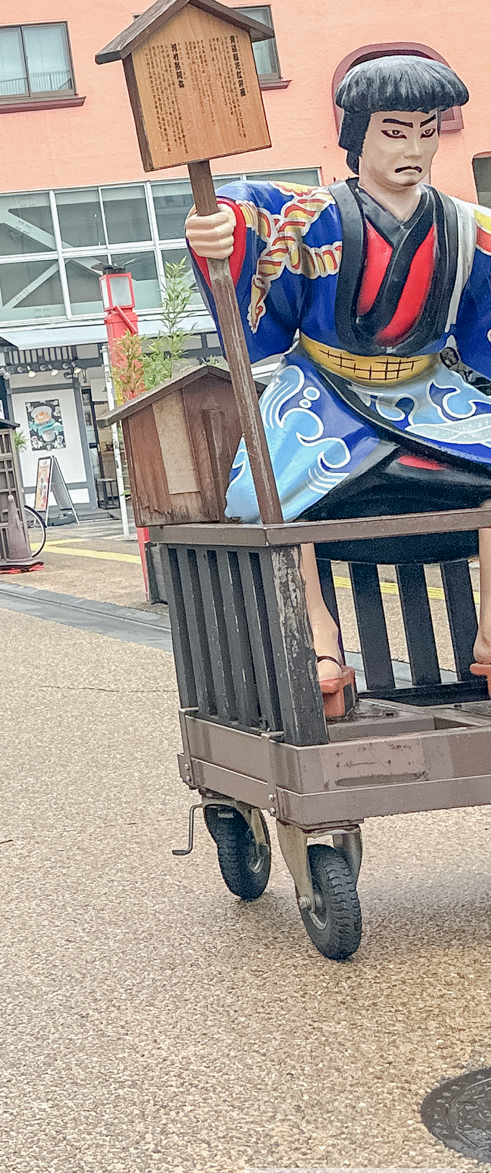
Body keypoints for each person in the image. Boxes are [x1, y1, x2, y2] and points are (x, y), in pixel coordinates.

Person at [184, 53, 491, 708]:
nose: (414, 147)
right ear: (357, 134)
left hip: (432, 390)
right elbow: (248, 213)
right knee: (267, 492)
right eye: (394, 129)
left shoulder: (469, 228)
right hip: (327, 392)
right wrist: (218, 229)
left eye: (426, 129)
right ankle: (321, 641)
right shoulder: (311, 218)